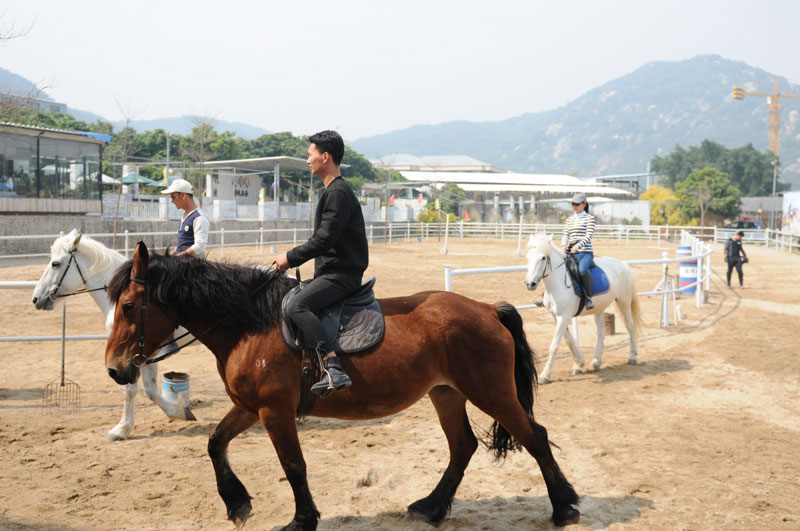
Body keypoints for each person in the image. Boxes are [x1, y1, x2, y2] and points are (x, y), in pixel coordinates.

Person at [274, 130, 369, 397]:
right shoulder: (334, 191)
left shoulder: (338, 192)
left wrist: (289, 258)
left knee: (297, 305)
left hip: (341, 275)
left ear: (324, 156)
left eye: (310, 154)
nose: (307, 160)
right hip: (332, 272)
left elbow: (325, 239)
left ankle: (333, 366)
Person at [561, 192, 597, 309]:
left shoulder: (589, 218)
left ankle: (588, 297)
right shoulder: (569, 219)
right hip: (571, 252)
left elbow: (588, 236)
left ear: (584, 204)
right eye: (573, 204)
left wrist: (578, 246)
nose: (575, 206)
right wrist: (563, 246)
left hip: (585, 252)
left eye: (577, 204)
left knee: (581, 271)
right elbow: (566, 234)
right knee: (558, 269)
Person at [160, 178, 210, 257]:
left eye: (173, 196)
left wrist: (178, 256)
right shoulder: (185, 216)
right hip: (181, 264)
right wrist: (175, 251)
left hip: (192, 267)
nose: (172, 201)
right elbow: (185, 242)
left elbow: (200, 246)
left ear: (183, 195)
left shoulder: (199, 218)